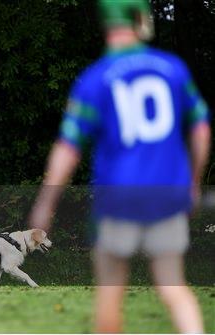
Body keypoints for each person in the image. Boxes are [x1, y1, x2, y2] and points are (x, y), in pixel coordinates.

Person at [28, 1, 210, 333]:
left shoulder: (94, 79)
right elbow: (200, 128)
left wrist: (46, 202)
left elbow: (68, 148)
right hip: (167, 196)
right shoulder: (172, 68)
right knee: (173, 287)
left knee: (110, 296)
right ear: (139, 18)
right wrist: (193, 183)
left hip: (117, 199)